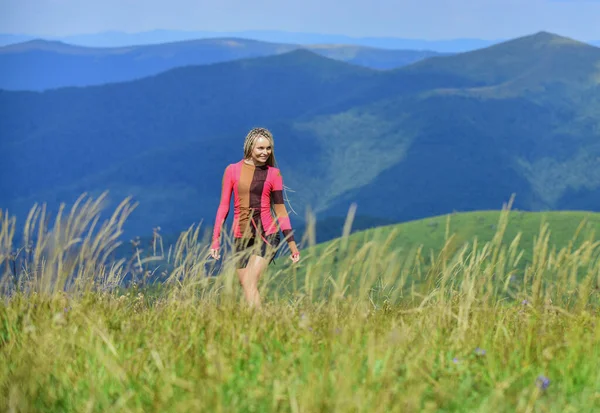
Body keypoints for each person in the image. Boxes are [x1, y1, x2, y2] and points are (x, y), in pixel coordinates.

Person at [209, 127, 300, 307]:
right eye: (261, 148)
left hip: (267, 235)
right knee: (246, 286)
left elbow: (280, 210)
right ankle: (258, 325)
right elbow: (223, 206)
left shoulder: (274, 174)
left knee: (250, 283)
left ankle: (260, 324)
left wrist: (292, 245)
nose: (265, 152)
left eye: (268, 148)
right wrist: (215, 240)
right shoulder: (232, 170)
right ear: (250, 147)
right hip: (241, 236)